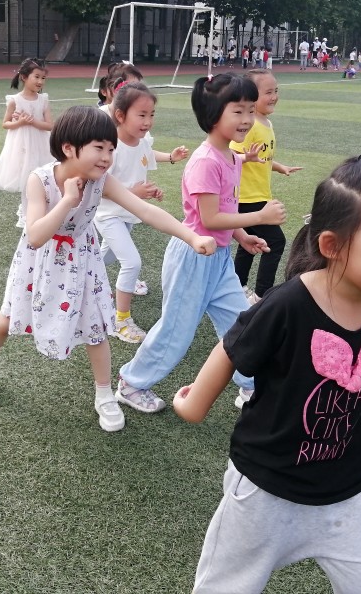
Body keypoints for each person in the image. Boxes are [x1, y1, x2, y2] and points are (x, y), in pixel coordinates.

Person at [173, 154, 361, 594]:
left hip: (350, 495)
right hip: (264, 494)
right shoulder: (288, 304)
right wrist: (195, 404)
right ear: (332, 246)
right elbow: (234, 346)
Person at [0, 106, 217, 432]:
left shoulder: (101, 180)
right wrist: (67, 199)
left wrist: (191, 236)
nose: (107, 157)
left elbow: (145, 211)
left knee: (95, 328)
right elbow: (36, 236)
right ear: (69, 148)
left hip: (82, 260)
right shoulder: (40, 180)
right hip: (40, 263)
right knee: (8, 319)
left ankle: (104, 395)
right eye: (99, 148)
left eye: (111, 149)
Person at [116, 73, 286, 414]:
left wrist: (242, 236)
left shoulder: (230, 156)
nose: (247, 119)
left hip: (218, 259)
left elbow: (226, 209)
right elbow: (208, 219)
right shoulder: (206, 161)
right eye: (238, 111)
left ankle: (251, 387)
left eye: (250, 110)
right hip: (192, 258)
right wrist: (259, 217)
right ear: (213, 115)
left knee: (242, 323)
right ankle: (131, 383)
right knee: (176, 332)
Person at [95, 81, 189, 344]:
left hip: (127, 213)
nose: (148, 121)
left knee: (105, 258)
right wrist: (134, 193)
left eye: (151, 115)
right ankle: (120, 320)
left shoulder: (142, 141)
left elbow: (145, 156)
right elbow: (96, 187)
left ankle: (79, 280)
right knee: (132, 262)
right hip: (108, 215)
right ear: (120, 115)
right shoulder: (109, 147)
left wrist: (169, 159)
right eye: (141, 115)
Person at [231, 69, 302, 305]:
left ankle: (236, 287)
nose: (274, 97)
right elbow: (231, 156)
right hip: (247, 197)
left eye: (276, 91)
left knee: (248, 244)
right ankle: (261, 294)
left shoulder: (265, 123)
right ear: (252, 96)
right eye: (268, 92)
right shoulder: (249, 126)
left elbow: (261, 158)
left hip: (258, 195)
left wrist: (279, 166)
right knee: (276, 242)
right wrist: (246, 158)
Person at [0, 58, 54, 193]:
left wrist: (32, 121)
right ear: (24, 77)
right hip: (21, 144)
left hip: (40, 143)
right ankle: (26, 205)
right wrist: (20, 122)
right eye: (36, 77)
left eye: (43, 78)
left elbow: (50, 125)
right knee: (23, 173)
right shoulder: (15, 101)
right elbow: (5, 123)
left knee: (41, 176)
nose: (40, 81)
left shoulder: (43, 100)